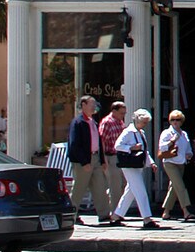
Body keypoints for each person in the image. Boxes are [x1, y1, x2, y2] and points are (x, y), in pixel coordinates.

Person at [65, 95, 116, 225]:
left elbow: (98, 142)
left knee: (100, 187)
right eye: (91, 104)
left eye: (95, 104)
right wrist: (84, 162)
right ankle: (72, 215)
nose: (94, 107)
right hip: (83, 161)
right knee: (79, 189)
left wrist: (102, 161)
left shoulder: (93, 122)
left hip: (95, 159)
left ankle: (104, 215)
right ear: (83, 105)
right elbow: (74, 145)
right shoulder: (78, 122)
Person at [111, 107, 162, 228]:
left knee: (131, 191)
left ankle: (117, 215)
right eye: (144, 122)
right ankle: (147, 218)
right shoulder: (128, 132)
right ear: (138, 120)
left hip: (136, 164)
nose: (145, 124)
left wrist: (151, 162)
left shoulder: (140, 132)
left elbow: (144, 150)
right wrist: (131, 148)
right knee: (140, 191)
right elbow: (117, 146)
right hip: (129, 165)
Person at [156, 110, 195, 220]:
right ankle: (186, 211)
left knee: (174, 187)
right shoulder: (166, 133)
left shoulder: (184, 134)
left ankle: (166, 212)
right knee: (180, 186)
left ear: (181, 121)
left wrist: (189, 154)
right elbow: (162, 148)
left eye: (177, 120)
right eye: (172, 120)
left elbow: (188, 148)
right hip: (170, 162)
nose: (175, 122)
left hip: (181, 162)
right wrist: (172, 141)